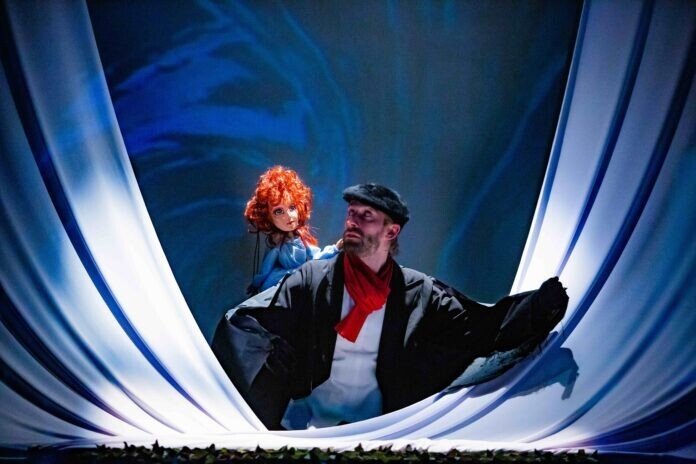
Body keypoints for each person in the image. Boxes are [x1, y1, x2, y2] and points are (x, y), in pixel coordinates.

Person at [213, 183, 568, 430]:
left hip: (385, 426)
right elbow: (253, 319)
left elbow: (481, 325)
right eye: (351, 214)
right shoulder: (313, 279)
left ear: (391, 231)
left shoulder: (417, 291)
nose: (353, 222)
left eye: (365, 216)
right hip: (313, 427)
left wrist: (539, 306)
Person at [244, 166, 341, 294]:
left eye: (292, 207)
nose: (289, 216)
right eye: (279, 211)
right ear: (268, 217)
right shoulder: (277, 246)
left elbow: (316, 258)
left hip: (302, 279)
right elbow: (266, 270)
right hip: (282, 282)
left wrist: (335, 248)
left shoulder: (301, 239)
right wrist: (257, 284)